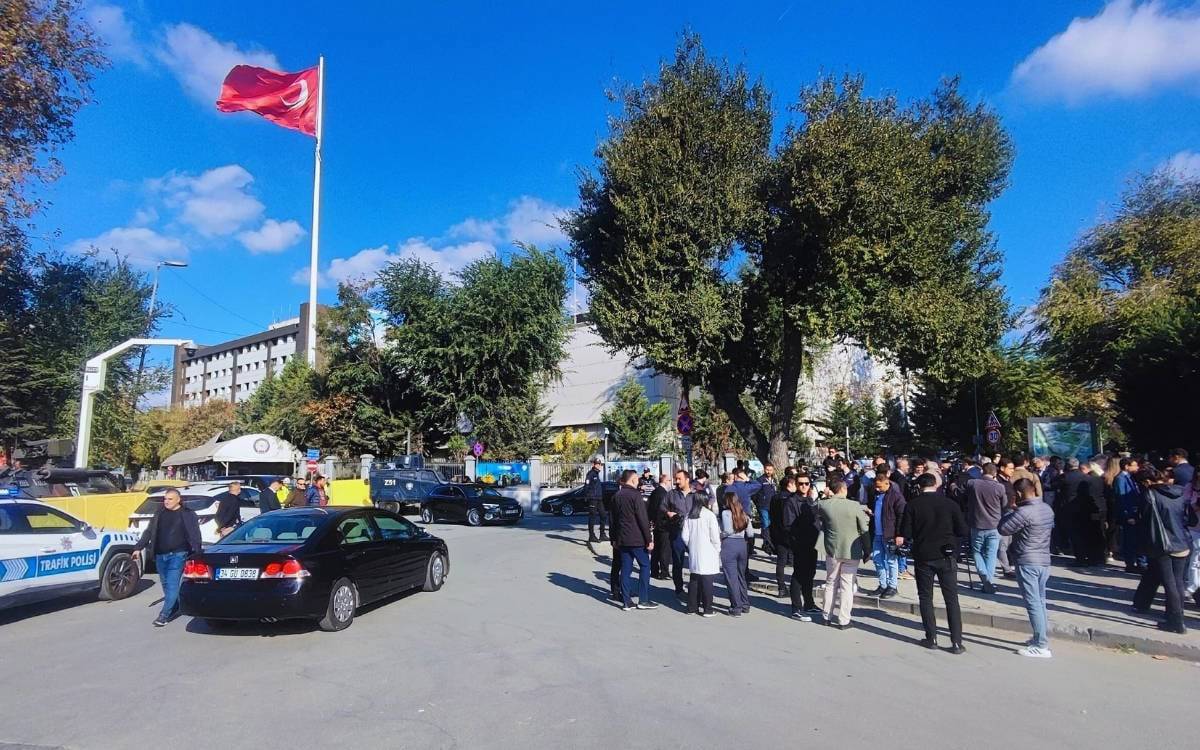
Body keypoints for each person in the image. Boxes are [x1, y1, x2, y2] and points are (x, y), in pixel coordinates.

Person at [897, 473, 968, 654]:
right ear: (936, 484)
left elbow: (906, 532)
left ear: (920, 487)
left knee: (926, 597)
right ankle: (957, 641)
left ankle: (932, 637)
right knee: (951, 599)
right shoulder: (950, 504)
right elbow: (962, 530)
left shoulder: (913, 505)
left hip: (924, 555)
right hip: (946, 555)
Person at [1132, 466, 1196, 634]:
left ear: (1146, 482)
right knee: (1178, 582)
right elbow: (1190, 518)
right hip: (1183, 542)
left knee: (1170, 584)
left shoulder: (1149, 495)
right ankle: (1176, 616)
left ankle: (1176, 622)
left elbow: (1144, 521)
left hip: (1162, 545)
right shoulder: (1181, 492)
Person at [999, 477, 1056, 658]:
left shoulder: (1023, 513)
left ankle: (1041, 645)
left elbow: (1003, 528)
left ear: (1018, 494)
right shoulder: (1047, 508)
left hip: (1027, 560)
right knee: (1040, 601)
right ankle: (1040, 637)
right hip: (1044, 560)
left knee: (1033, 603)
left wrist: (1011, 508)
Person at [131, 488, 202, 627]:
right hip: (160, 555)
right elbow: (149, 531)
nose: (166, 501)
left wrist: (197, 552)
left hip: (178, 554)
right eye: (165, 499)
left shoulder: (187, 514)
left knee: (172, 584)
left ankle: (164, 615)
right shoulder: (160, 513)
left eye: (170, 499)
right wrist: (138, 548)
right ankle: (174, 606)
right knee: (165, 585)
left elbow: (195, 534)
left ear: (178, 500)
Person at [817, 476, 870, 629]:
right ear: (843, 489)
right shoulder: (854, 506)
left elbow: (814, 506)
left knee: (831, 582)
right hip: (851, 550)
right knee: (847, 585)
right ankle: (844, 619)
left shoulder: (824, 505)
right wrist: (867, 550)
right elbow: (864, 529)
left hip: (832, 549)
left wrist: (825, 495)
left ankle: (826, 615)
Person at [611, 469, 657, 611]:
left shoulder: (616, 496)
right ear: (632, 480)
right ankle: (643, 599)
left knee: (625, 569)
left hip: (622, 539)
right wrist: (649, 539)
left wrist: (613, 539)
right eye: (637, 479)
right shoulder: (635, 495)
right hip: (637, 539)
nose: (639, 481)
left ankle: (626, 601)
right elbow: (642, 519)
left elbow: (612, 520)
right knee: (645, 566)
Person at [782, 473, 821, 620]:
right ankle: (796, 608)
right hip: (800, 544)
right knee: (799, 575)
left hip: (813, 543)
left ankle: (809, 603)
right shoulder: (791, 501)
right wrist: (796, 541)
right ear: (796, 484)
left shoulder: (810, 500)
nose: (804, 486)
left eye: (806, 483)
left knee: (810, 574)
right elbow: (788, 526)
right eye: (801, 483)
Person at [966, 463, 1006, 593]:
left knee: (977, 552)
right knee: (991, 554)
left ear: (982, 471)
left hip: (977, 524)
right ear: (995, 473)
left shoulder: (973, 483)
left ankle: (985, 580)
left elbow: (962, 493)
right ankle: (988, 581)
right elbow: (1004, 504)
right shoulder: (999, 487)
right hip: (994, 525)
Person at [667, 470, 707, 601]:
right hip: (677, 532)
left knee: (696, 561)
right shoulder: (671, 494)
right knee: (678, 562)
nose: (676, 481)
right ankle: (679, 589)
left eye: (679, 479)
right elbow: (662, 508)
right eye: (675, 479)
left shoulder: (696, 494)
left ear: (687, 479)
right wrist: (668, 513)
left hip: (694, 534)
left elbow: (705, 509)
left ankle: (695, 589)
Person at [681, 489, 721, 617]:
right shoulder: (709, 515)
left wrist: (691, 545)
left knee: (694, 579)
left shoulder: (689, 515)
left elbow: (684, 536)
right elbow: (715, 536)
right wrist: (717, 548)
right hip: (708, 551)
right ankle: (708, 608)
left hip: (695, 550)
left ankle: (692, 607)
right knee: (707, 580)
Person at [867, 471, 906, 598]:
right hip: (877, 533)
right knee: (878, 560)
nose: (877, 489)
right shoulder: (876, 495)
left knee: (891, 561)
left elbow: (901, 515)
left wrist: (899, 534)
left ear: (887, 483)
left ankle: (892, 586)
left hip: (890, 534)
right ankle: (882, 585)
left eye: (880, 486)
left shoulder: (896, 496)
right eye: (876, 486)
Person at [719, 491, 752, 616]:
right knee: (740, 576)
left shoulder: (726, 513)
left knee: (731, 577)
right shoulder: (744, 514)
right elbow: (750, 534)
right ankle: (745, 604)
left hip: (729, 544)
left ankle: (736, 607)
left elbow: (727, 530)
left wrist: (720, 536)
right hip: (742, 544)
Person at [1071, 458, 1108, 567]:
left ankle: (1093, 557)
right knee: (1100, 532)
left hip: (1090, 509)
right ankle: (1101, 556)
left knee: (1091, 533)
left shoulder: (1086, 481)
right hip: (1101, 508)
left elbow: (1084, 496)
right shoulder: (1100, 479)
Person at [1114, 457, 1144, 572]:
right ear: (1127, 466)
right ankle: (1130, 563)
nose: (1137, 467)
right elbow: (1122, 498)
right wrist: (1128, 515)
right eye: (1134, 465)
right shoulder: (1120, 479)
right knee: (1129, 540)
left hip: (1135, 512)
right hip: (1129, 513)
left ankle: (1139, 562)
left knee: (1136, 539)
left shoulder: (1130, 477)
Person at [771, 476, 799, 599]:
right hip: (790, 533)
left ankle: (781, 587)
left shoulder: (775, 497)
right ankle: (797, 585)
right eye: (795, 484)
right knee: (797, 561)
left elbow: (771, 514)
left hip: (777, 532)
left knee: (781, 561)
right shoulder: (791, 498)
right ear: (789, 485)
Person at [647, 474, 672, 579]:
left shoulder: (655, 492)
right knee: (664, 549)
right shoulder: (664, 494)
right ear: (666, 481)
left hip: (656, 524)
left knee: (656, 548)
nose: (671, 483)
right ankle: (664, 571)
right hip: (663, 525)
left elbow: (650, 508)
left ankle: (654, 570)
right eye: (670, 480)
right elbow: (662, 510)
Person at [753, 462, 778, 556]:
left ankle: (770, 541)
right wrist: (758, 503)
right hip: (763, 506)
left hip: (772, 506)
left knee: (771, 524)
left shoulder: (774, 479)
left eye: (770, 470)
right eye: (767, 469)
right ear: (764, 469)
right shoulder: (760, 480)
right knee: (765, 524)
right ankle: (766, 543)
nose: (769, 471)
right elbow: (754, 493)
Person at [585, 459, 606, 543]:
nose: (598, 465)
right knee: (592, 517)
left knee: (603, 515)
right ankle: (591, 536)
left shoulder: (597, 474)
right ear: (594, 464)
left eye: (599, 464)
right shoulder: (590, 474)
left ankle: (602, 534)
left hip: (599, 498)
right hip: (592, 499)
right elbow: (586, 486)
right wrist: (587, 497)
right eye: (597, 464)